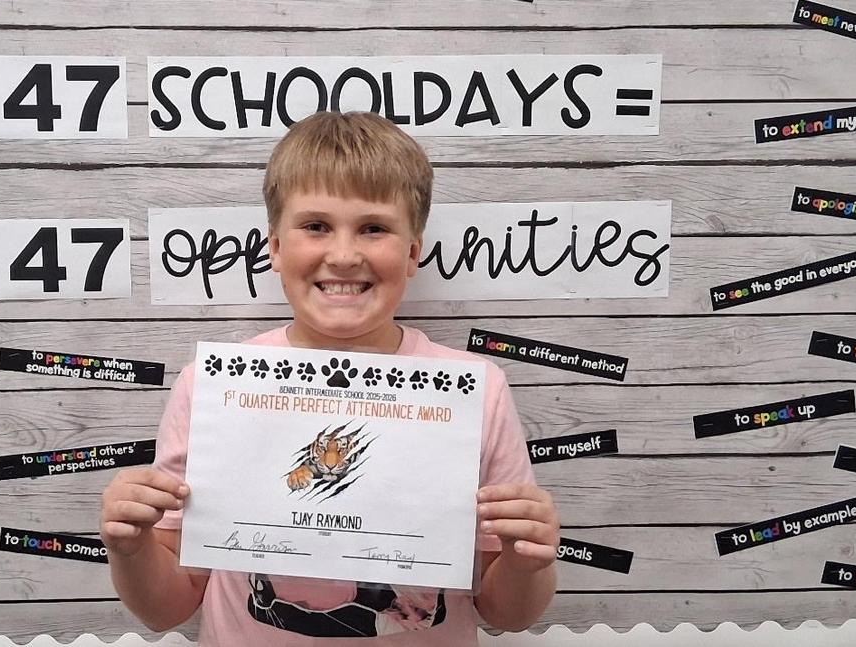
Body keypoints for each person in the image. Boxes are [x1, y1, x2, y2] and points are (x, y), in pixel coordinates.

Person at [99, 111, 558, 644]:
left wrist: (527, 560)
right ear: (273, 246)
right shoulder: (211, 387)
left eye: (374, 228)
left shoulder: (475, 389)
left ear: (413, 252)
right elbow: (166, 609)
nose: (343, 255)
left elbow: (505, 614)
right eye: (316, 226)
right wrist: (131, 548)